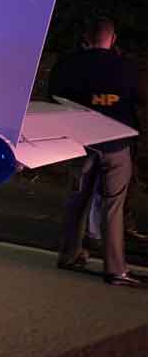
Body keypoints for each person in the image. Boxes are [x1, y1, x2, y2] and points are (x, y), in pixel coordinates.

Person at [49, 18, 142, 286]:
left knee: (76, 200)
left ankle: (68, 255)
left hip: (80, 143)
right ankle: (115, 269)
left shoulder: (68, 65)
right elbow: (139, 97)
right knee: (113, 205)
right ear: (113, 40)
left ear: (85, 39)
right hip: (117, 144)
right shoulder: (125, 67)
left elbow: (54, 97)